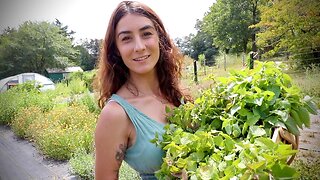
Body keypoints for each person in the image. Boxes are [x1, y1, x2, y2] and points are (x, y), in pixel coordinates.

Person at [94, 1, 191, 179]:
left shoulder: (176, 93)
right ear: (116, 49)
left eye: (146, 34)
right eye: (126, 38)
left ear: (159, 38)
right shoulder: (116, 114)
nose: (139, 46)